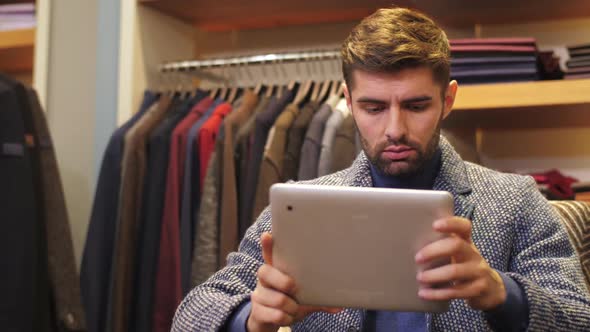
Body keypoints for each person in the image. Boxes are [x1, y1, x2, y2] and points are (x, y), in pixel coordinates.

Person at [172, 7, 590, 332]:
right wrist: (250, 315)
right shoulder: (304, 207)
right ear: (348, 102)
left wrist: (504, 293)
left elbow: (579, 316)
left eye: (416, 105)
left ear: (448, 100)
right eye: (373, 107)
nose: (395, 129)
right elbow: (191, 314)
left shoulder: (515, 201)